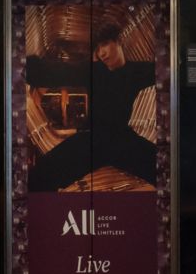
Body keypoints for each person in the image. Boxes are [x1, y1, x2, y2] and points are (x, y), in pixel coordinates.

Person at [25, 20, 161, 191]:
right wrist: (23, 64)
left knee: (163, 168)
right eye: (97, 48)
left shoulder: (137, 71)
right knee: (39, 177)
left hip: (121, 140)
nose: (102, 53)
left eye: (105, 44)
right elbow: (58, 72)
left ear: (119, 41)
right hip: (90, 140)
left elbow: (166, 71)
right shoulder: (93, 70)